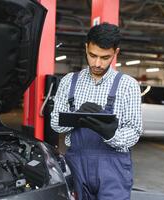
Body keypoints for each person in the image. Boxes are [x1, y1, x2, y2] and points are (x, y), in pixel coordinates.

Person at [50, 22, 142, 200]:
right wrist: (75, 118)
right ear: (86, 48)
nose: (97, 63)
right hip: (76, 162)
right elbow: (55, 124)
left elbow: (134, 130)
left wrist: (110, 134)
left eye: (105, 57)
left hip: (113, 166)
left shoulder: (127, 85)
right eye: (92, 55)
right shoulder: (69, 81)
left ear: (115, 53)